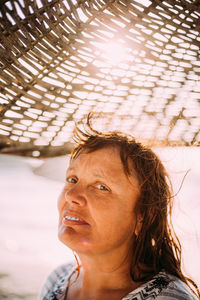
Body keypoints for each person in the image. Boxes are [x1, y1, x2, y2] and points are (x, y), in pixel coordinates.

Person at [39, 113, 199, 300]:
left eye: (101, 187)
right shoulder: (57, 280)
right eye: (72, 179)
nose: (71, 195)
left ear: (144, 215)